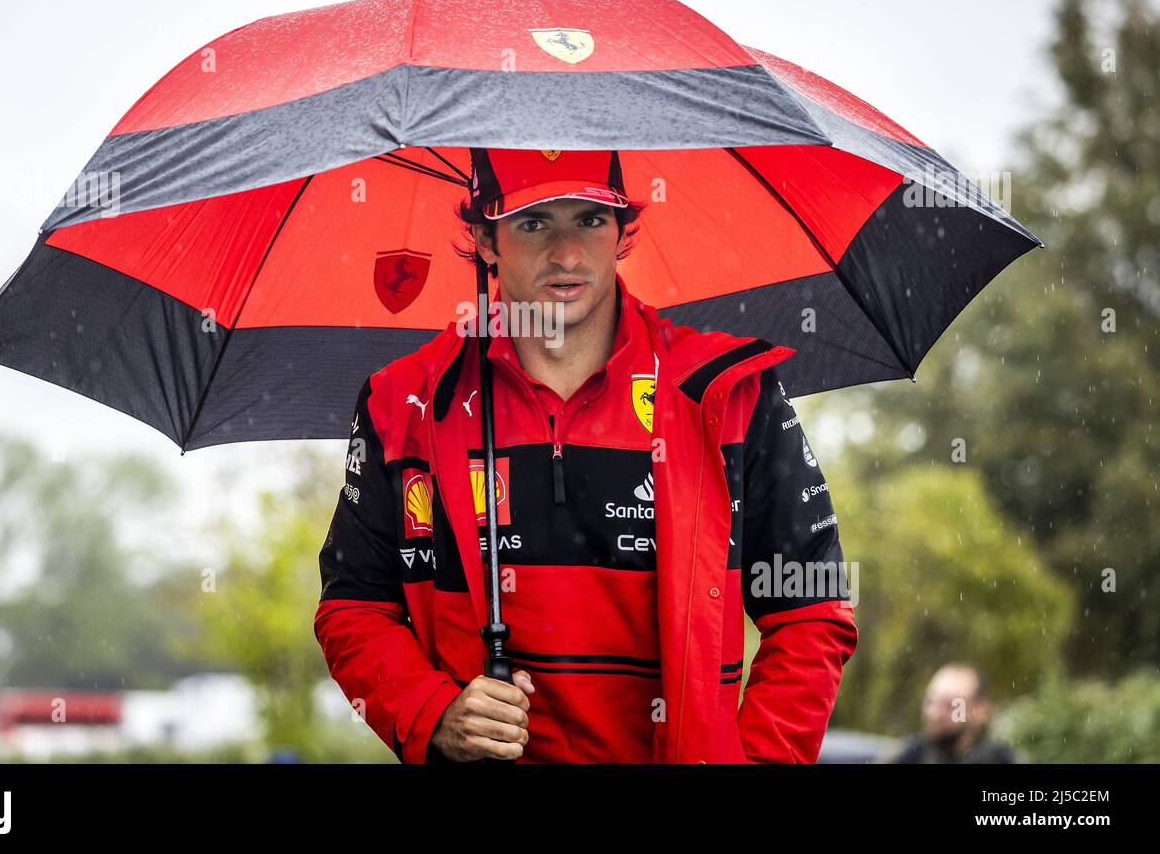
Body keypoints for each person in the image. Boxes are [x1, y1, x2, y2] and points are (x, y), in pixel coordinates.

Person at [315, 147, 858, 763]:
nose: (567, 254)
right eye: (534, 222)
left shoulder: (729, 392)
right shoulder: (403, 402)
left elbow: (812, 608)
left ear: (624, 231)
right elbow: (352, 606)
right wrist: (432, 711)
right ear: (485, 239)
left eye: (591, 220)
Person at [886, 663, 1017, 763]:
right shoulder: (908, 755)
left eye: (951, 705)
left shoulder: (1000, 759)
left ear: (979, 709)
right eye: (931, 702)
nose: (936, 714)